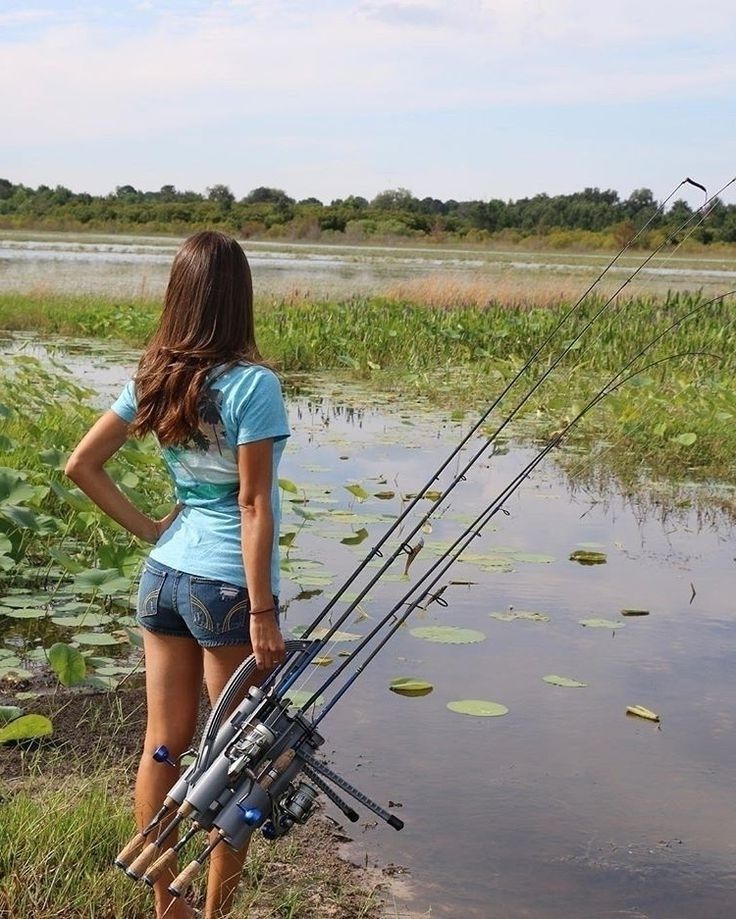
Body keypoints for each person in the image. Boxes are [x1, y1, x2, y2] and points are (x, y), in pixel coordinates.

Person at [66, 230, 289, 919]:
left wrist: (150, 530)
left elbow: (81, 465)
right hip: (225, 590)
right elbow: (251, 502)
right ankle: (215, 912)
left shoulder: (154, 377)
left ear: (181, 297)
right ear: (238, 299)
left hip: (164, 578)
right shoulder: (254, 384)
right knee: (240, 760)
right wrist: (262, 612)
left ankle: (167, 902)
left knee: (163, 745)